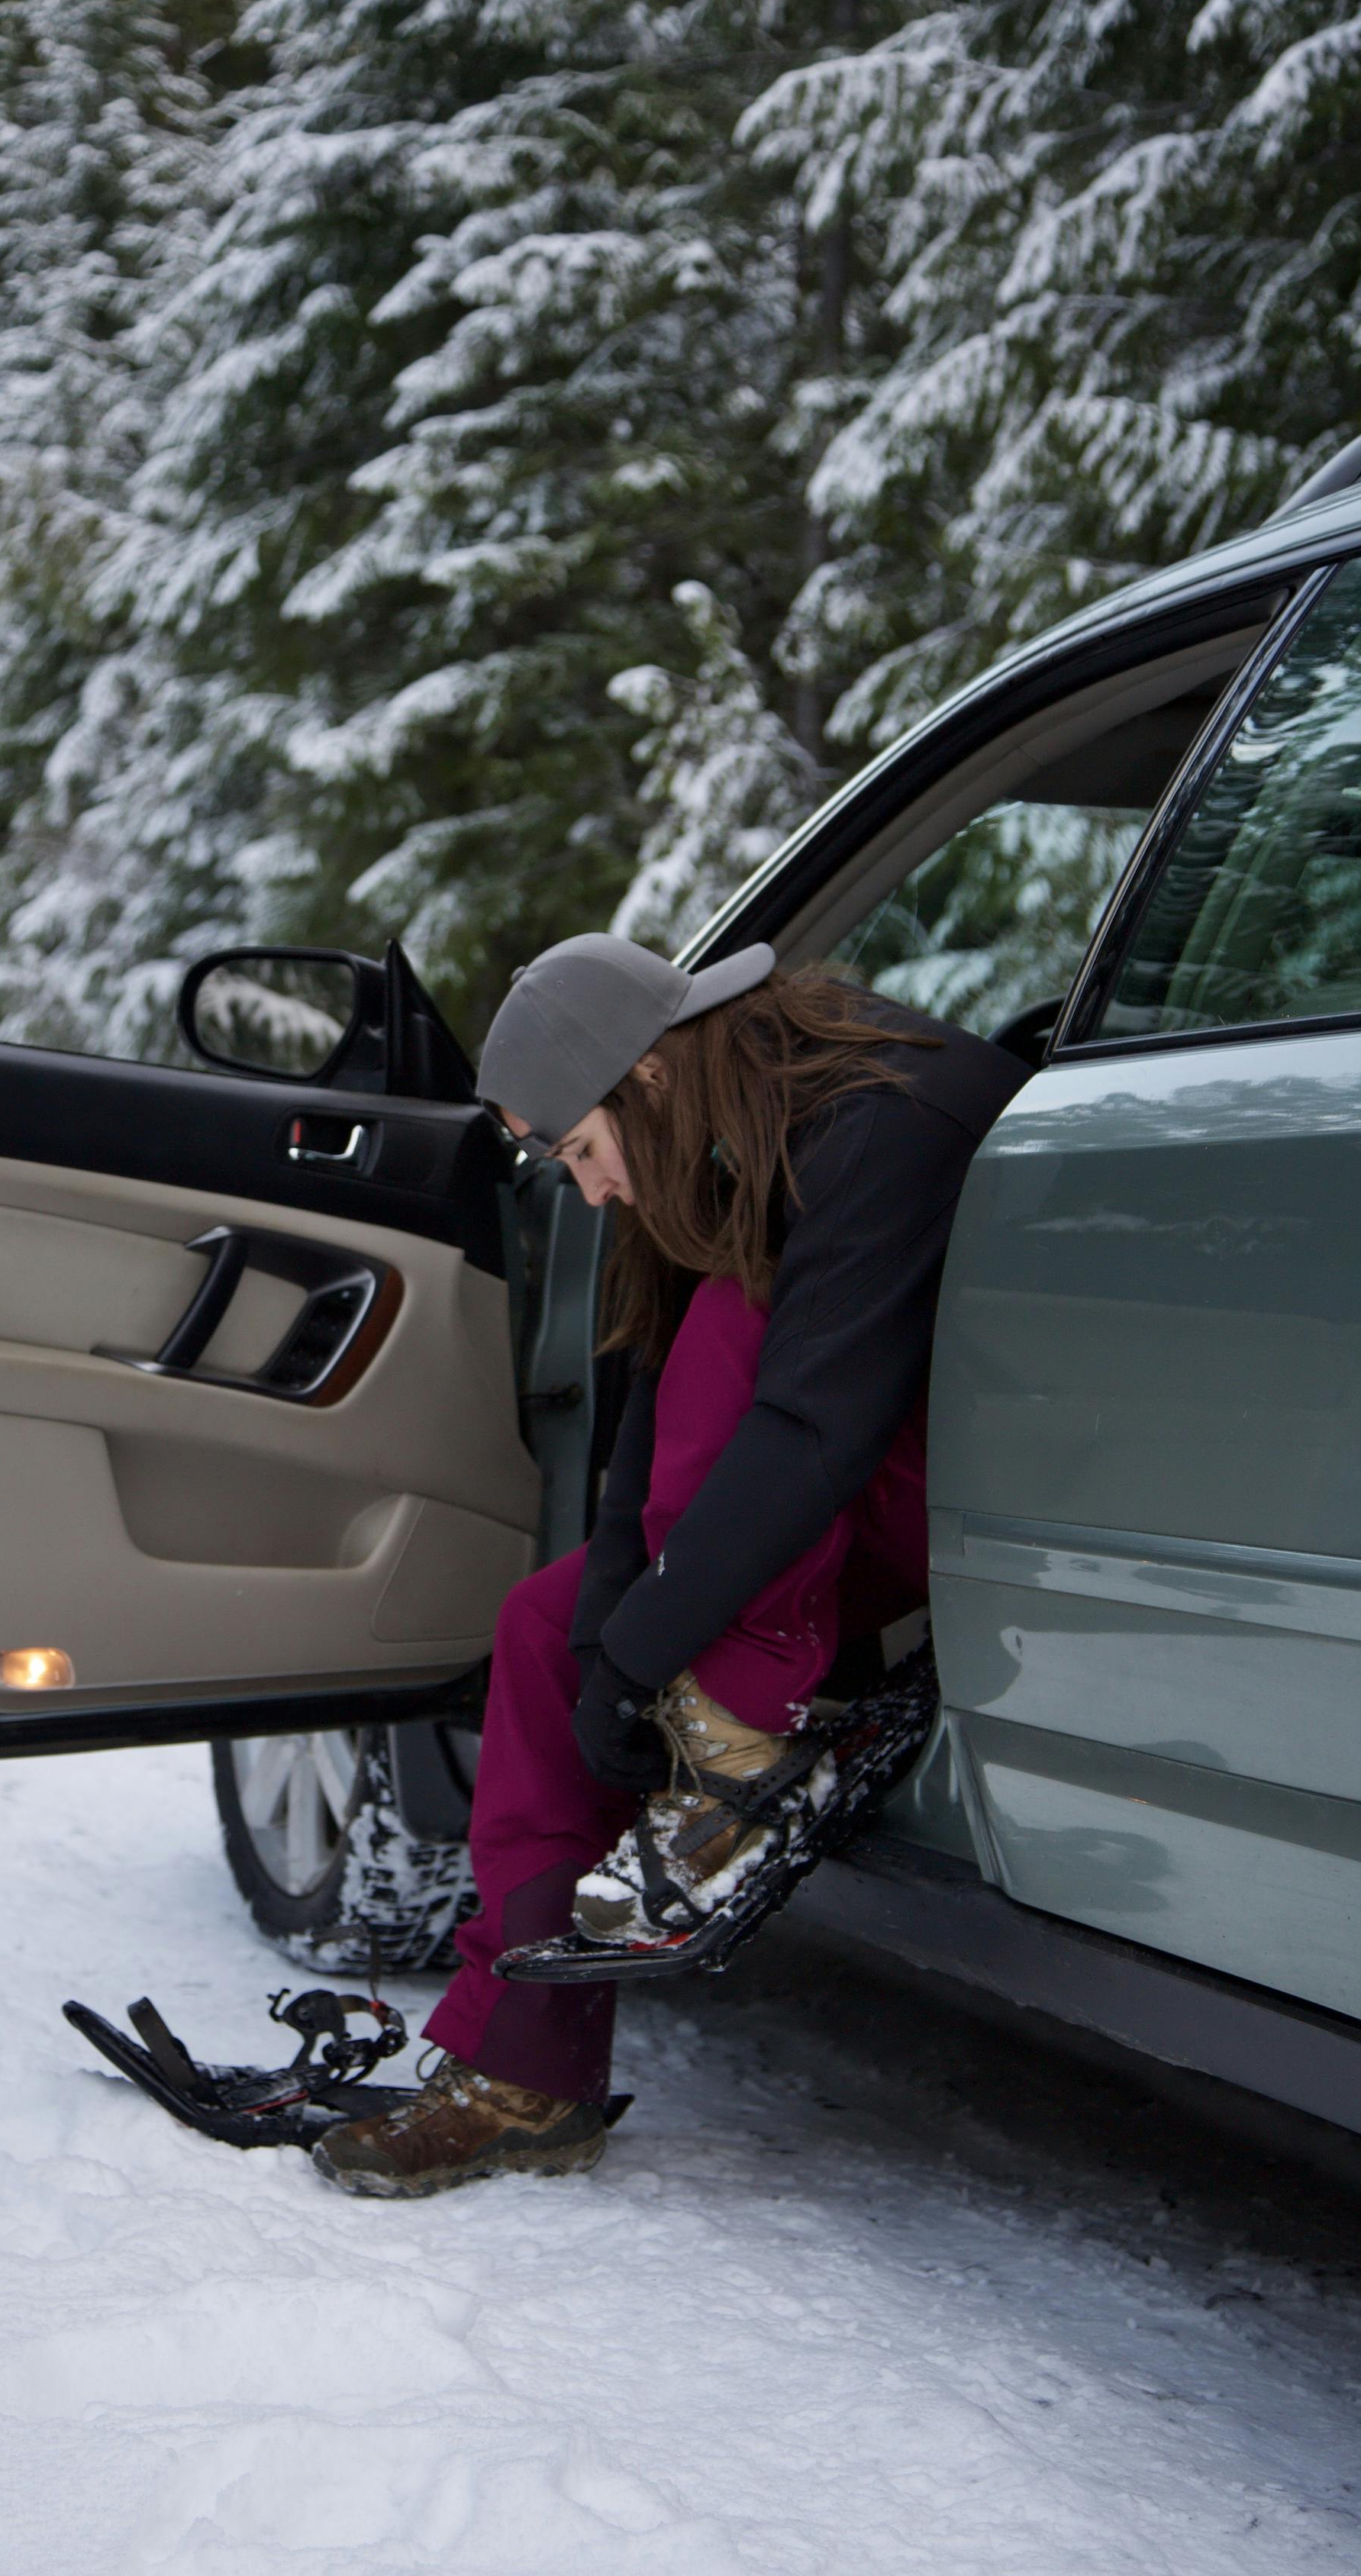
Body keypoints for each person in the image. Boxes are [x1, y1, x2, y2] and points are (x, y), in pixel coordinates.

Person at [312, 934, 1026, 2199]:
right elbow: (649, 1397)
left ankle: (743, 1732)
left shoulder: (878, 1123)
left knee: (735, 1324)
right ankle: (524, 2073)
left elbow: (810, 1433)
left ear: (643, 1080)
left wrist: (655, 1652)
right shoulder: (720, 1140)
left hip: (989, 1493)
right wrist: (602, 1635)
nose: (586, 1188)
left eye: (579, 1150)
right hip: (835, 1506)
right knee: (538, 1624)